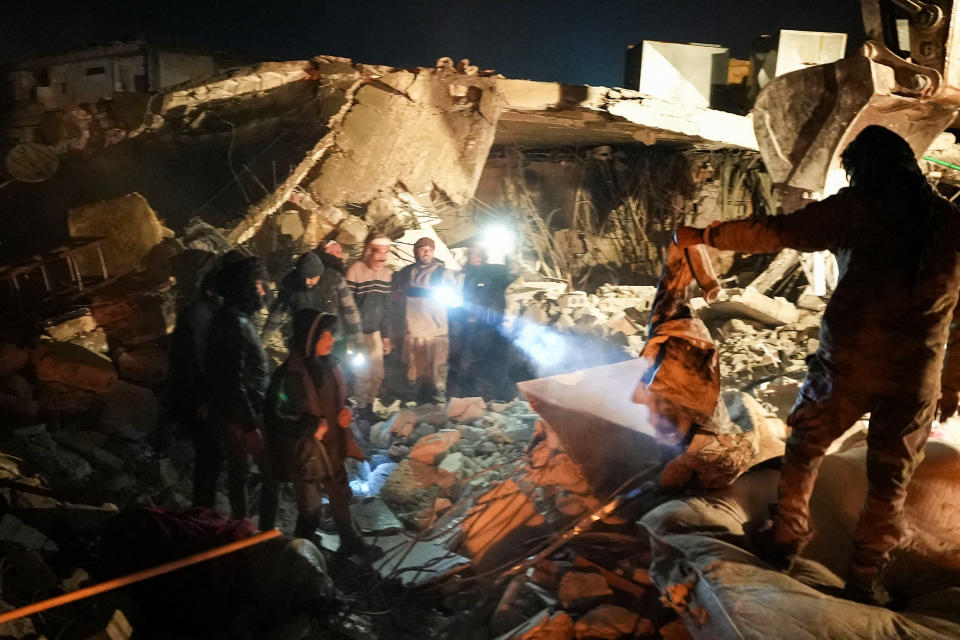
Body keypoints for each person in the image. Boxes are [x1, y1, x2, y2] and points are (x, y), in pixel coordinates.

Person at [674, 125, 960, 606]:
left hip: (850, 363)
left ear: (866, 167)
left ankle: (786, 537)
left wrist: (705, 235)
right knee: (890, 484)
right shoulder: (953, 223)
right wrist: (951, 383)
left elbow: (779, 231)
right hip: (916, 376)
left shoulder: (860, 206)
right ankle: (865, 581)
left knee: (806, 447)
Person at [262, 310, 369, 555]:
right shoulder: (288, 376)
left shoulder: (331, 366)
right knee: (310, 509)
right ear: (310, 338)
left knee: (340, 496)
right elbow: (274, 415)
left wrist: (346, 410)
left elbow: (340, 400)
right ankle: (301, 554)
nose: (332, 340)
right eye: (325, 335)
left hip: (333, 446)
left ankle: (349, 542)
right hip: (307, 452)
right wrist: (310, 426)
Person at [201, 253, 275, 524]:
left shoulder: (231, 319)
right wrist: (249, 425)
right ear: (243, 287)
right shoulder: (234, 324)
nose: (262, 289)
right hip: (244, 415)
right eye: (257, 283)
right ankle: (257, 534)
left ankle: (242, 528)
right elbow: (232, 378)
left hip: (239, 413)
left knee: (239, 473)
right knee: (264, 475)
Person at [169, 251, 221, 505]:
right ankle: (202, 508)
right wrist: (205, 398)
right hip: (197, 395)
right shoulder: (202, 315)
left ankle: (204, 506)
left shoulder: (201, 311)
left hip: (195, 392)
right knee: (209, 453)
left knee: (210, 453)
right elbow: (201, 361)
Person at [394, 237, 460, 403]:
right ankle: (415, 398)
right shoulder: (406, 273)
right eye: (422, 249)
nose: (425, 252)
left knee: (437, 367)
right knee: (415, 367)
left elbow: (455, 299)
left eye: (429, 249)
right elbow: (396, 295)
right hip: (414, 329)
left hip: (436, 331)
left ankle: (438, 399)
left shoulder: (443, 273)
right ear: (416, 251)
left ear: (433, 251)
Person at [448, 244, 514, 399]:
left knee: (492, 360)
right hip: (470, 326)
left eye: (479, 253)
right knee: (467, 360)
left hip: (491, 325)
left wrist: (510, 255)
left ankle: (495, 395)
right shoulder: (464, 275)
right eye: (472, 253)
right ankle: (467, 394)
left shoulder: (495, 272)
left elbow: (512, 275)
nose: (475, 256)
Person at [261, 251, 362, 350]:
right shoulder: (291, 284)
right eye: (304, 277)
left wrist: (358, 339)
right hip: (305, 341)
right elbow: (277, 313)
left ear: (319, 273)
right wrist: (263, 341)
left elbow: (349, 309)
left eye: (311, 277)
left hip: (332, 339)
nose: (307, 282)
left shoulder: (335, 280)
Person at [345, 234, 394, 418]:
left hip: (375, 333)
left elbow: (387, 308)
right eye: (379, 252)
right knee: (361, 375)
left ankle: (369, 407)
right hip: (357, 333)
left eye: (385, 253)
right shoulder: (355, 270)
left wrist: (386, 335)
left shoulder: (386, 274)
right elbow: (347, 305)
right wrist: (350, 335)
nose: (382, 257)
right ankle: (361, 409)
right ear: (369, 251)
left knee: (378, 374)